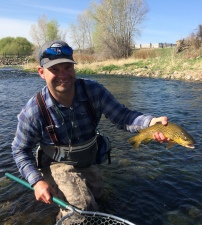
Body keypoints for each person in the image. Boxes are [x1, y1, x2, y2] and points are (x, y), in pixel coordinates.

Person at [11, 40, 169, 222]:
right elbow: (20, 150)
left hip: (86, 160)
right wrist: (37, 182)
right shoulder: (33, 111)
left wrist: (150, 123)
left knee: (99, 198)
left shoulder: (93, 91)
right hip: (56, 163)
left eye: (67, 67)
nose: (63, 74)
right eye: (55, 69)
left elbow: (123, 116)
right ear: (41, 72)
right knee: (82, 208)